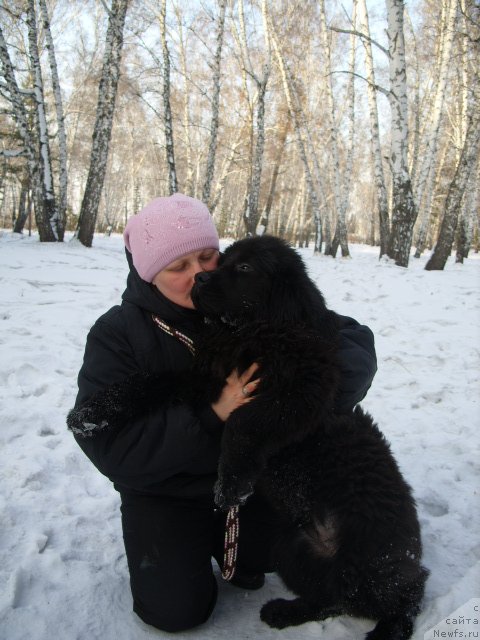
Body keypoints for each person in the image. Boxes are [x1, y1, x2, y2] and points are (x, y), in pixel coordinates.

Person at [71, 193, 377, 633]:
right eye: (177, 267)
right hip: (167, 489)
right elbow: (115, 448)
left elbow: (352, 344)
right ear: (149, 274)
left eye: (207, 257)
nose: (197, 275)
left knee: (273, 560)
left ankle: (238, 541)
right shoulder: (119, 333)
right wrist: (214, 413)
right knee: (175, 613)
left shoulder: (247, 300)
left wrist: (296, 395)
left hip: (249, 477)